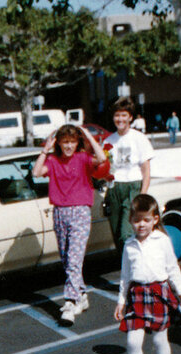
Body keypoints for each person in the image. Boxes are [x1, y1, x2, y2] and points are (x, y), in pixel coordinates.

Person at [114, 194, 181, 354]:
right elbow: (125, 276)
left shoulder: (162, 240)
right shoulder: (129, 245)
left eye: (146, 219)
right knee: (133, 341)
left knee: (160, 339)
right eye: (136, 220)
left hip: (158, 293)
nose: (141, 224)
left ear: (155, 219)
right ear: (130, 221)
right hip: (137, 296)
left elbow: (172, 269)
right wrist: (121, 301)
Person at [33, 122, 106, 325]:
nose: (68, 146)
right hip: (59, 212)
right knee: (67, 260)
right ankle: (81, 295)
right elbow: (36, 172)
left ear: (77, 143)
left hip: (80, 211)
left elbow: (101, 158)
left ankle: (70, 303)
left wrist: (88, 137)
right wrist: (44, 150)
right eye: (65, 142)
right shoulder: (53, 160)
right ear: (59, 143)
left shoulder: (83, 158)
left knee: (74, 260)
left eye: (72, 142)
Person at [105, 97, 154, 257]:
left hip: (133, 187)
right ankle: (128, 274)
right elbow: (104, 168)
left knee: (126, 233)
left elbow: (146, 170)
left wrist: (142, 195)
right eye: (117, 115)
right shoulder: (108, 141)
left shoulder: (139, 138)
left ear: (130, 117)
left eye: (124, 115)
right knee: (117, 237)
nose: (120, 119)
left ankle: (139, 269)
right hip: (114, 189)